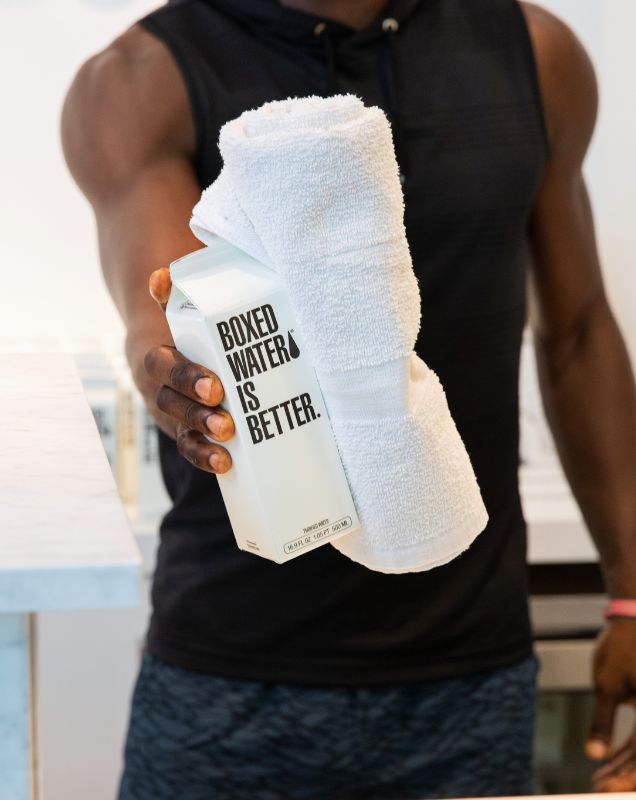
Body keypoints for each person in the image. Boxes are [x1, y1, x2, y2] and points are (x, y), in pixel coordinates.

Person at [62, 0, 636, 797]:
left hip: (470, 672)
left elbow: (576, 333)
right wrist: (176, 386)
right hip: (229, 679)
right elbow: (158, 317)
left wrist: (632, 594)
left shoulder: (537, 55)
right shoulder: (139, 80)